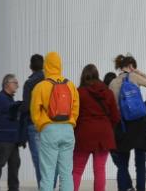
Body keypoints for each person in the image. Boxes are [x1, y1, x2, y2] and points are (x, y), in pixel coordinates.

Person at [29, 52, 79, 191]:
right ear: (59, 65)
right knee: (66, 174)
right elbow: (75, 108)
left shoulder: (41, 86)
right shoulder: (71, 85)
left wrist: (41, 125)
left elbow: (34, 110)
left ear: (46, 66)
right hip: (68, 130)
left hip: (49, 130)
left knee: (48, 174)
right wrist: (71, 122)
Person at [108, 55, 146, 191]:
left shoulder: (113, 83)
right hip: (139, 125)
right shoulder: (134, 77)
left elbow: (113, 109)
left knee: (122, 164)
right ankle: (141, 189)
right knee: (140, 163)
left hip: (123, 126)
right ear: (131, 66)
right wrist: (139, 72)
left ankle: (124, 188)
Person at [72, 64, 119, 191]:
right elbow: (115, 117)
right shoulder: (107, 92)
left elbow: (74, 116)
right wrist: (107, 128)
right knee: (100, 169)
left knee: (77, 170)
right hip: (103, 135)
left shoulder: (78, 93)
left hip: (84, 134)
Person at [0, 74, 21, 191]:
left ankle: (13, 188)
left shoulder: (10, 99)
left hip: (13, 139)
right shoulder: (0, 98)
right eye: (15, 83)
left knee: (14, 165)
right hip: (2, 139)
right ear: (7, 84)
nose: (17, 85)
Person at [19, 54, 45, 185]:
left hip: (33, 124)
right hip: (50, 124)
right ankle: (50, 185)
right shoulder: (50, 81)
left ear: (30, 66)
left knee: (38, 159)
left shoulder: (29, 83)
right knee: (50, 158)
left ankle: (44, 187)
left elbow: (25, 107)